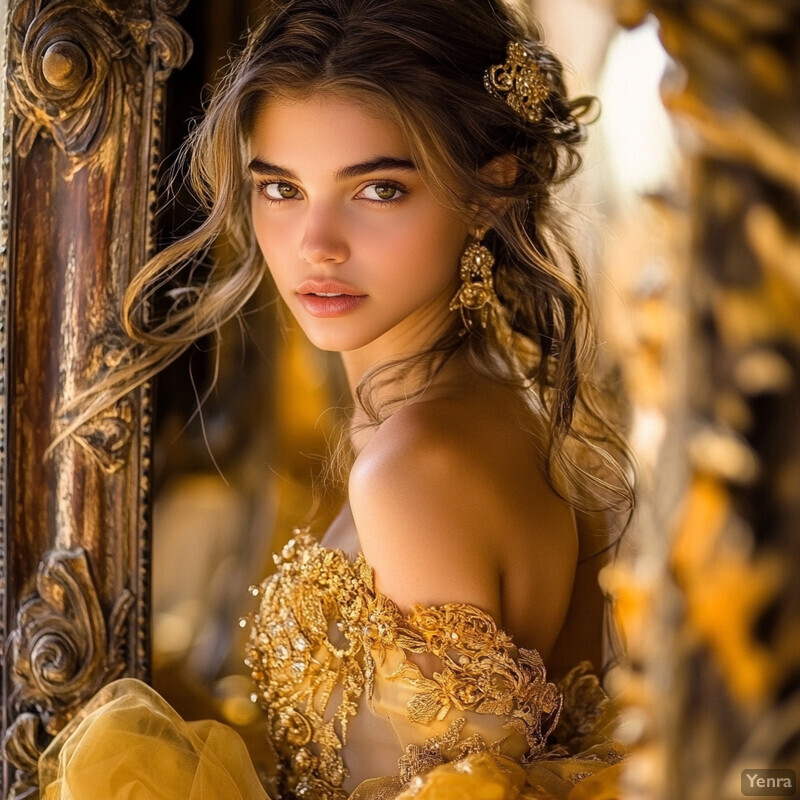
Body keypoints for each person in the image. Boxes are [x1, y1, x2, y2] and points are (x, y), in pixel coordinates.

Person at [39, 0, 635, 797]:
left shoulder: (414, 468)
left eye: (379, 190)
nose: (316, 243)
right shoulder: (485, 401)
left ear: (488, 195)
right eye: (281, 188)